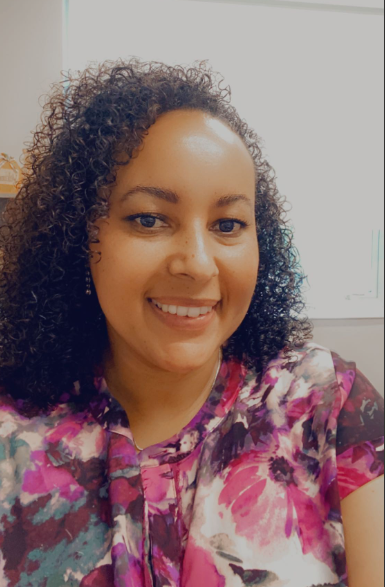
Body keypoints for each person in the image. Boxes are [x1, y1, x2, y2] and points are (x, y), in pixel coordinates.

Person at [0, 58, 383, 587]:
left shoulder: (327, 407)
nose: (198, 264)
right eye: (149, 219)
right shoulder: (13, 435)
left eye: (228, 224)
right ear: (79, 236)